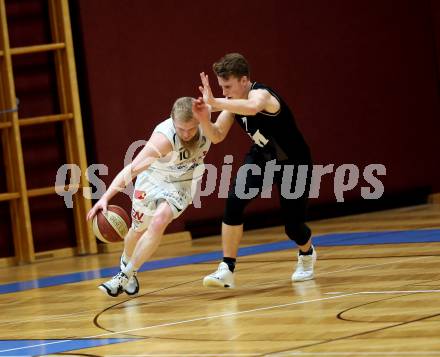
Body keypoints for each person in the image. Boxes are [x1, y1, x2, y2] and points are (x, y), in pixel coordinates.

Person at [197, 53, 316, 288]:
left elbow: (252, 108)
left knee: (293, 227)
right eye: (221, 87)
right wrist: (203, 118)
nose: (224, 92)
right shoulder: (232, 105)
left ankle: (307, 253)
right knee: (234, 201)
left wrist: (215, 103)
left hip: (294, 162)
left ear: (244, 81)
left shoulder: (261, 95)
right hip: (263, 156)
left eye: (227, 86)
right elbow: (217, 135)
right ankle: (226, 268)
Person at [87, 97, 212, 297]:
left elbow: (232, 107)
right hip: (152, 181)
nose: (187, 134)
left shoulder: (206, 121)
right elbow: (132, 169)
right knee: (136, 232)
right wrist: (105, 198)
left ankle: (124, 275)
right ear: (173, 122)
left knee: (159, 221)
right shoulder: (163, 140)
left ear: (199, 120)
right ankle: (126, 263)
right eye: (181, 129)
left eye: (191, 129)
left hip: (181, 184)